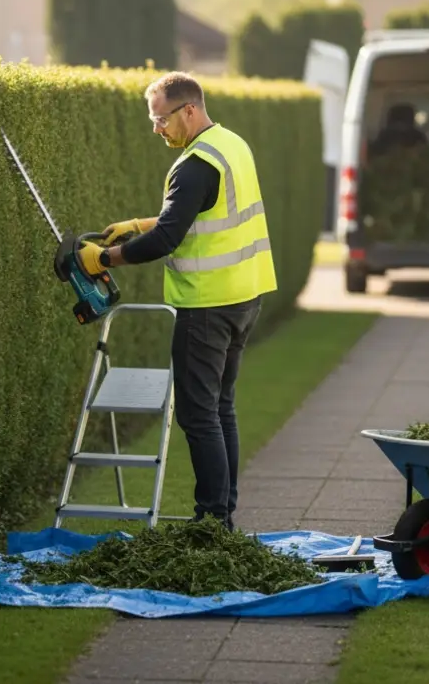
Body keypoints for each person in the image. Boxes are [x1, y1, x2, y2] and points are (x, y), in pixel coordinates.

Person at [74, 71, 277, 531]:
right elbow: (199, 213)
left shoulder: (192, 166)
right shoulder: (232, 146)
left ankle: (210, 520)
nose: (157, 129)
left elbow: (168, 240)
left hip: (207, 306)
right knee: (221, 407)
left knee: (197, 414)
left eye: (161, 119)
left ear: (189, 109)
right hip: (244, 297)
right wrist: (138, 224)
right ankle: (222, 517)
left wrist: (103, 257)